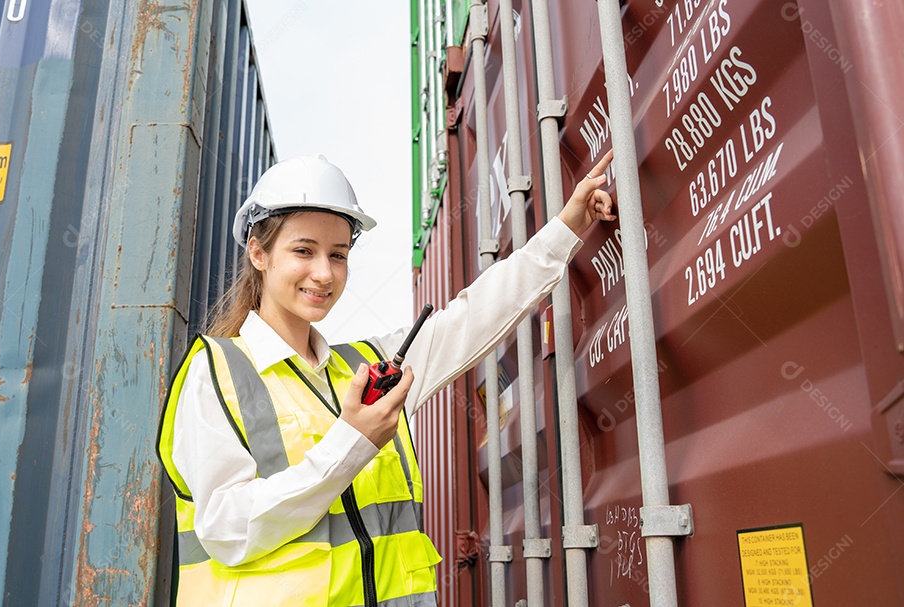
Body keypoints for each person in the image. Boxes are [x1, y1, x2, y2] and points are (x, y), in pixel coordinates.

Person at [157, 152, 615, 606]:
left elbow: (472, 318)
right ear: (258, 253)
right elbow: (227, 531)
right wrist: (352, 441)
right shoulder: (214, 371)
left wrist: (566, 228)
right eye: (303, 251)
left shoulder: (369, 367)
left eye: (338, 255)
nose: (324, 273)